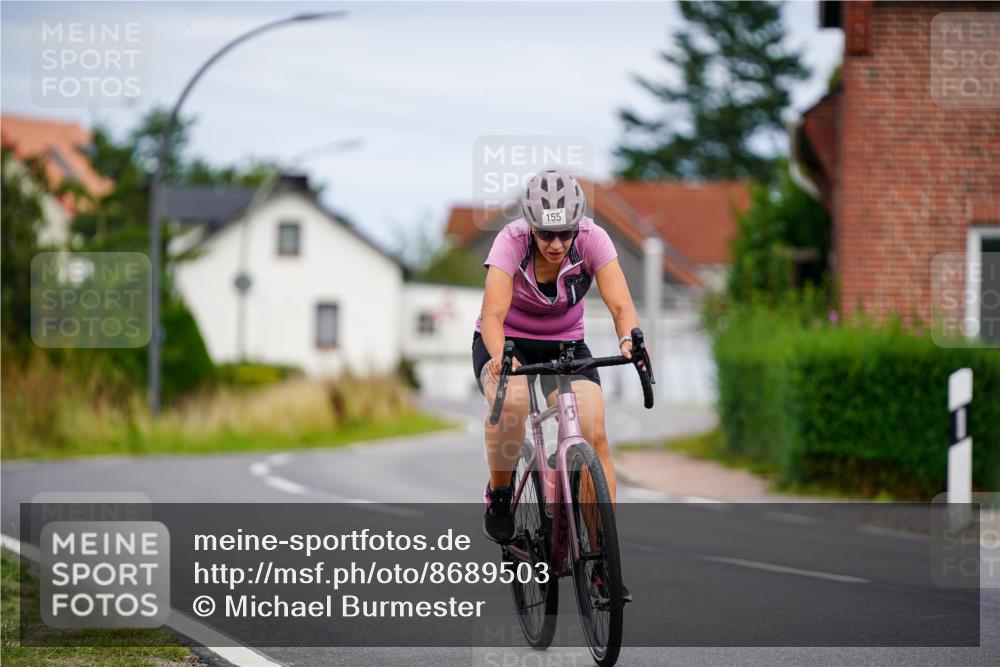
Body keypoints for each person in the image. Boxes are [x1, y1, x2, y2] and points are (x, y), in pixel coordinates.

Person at [472, 169, 649, 602]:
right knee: (511, 402)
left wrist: (630, 339)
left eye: (564, 233)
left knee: (595, 432)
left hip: (566, 346)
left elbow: (621, 304)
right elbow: (492, 316)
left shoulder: (594, 240)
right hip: (506, 341)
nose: (555, 244)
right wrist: (501, 357)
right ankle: (499, 494)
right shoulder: (509, 242)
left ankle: (602, 555)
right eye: (545, 234)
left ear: (578, 225)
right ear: (530, 226)